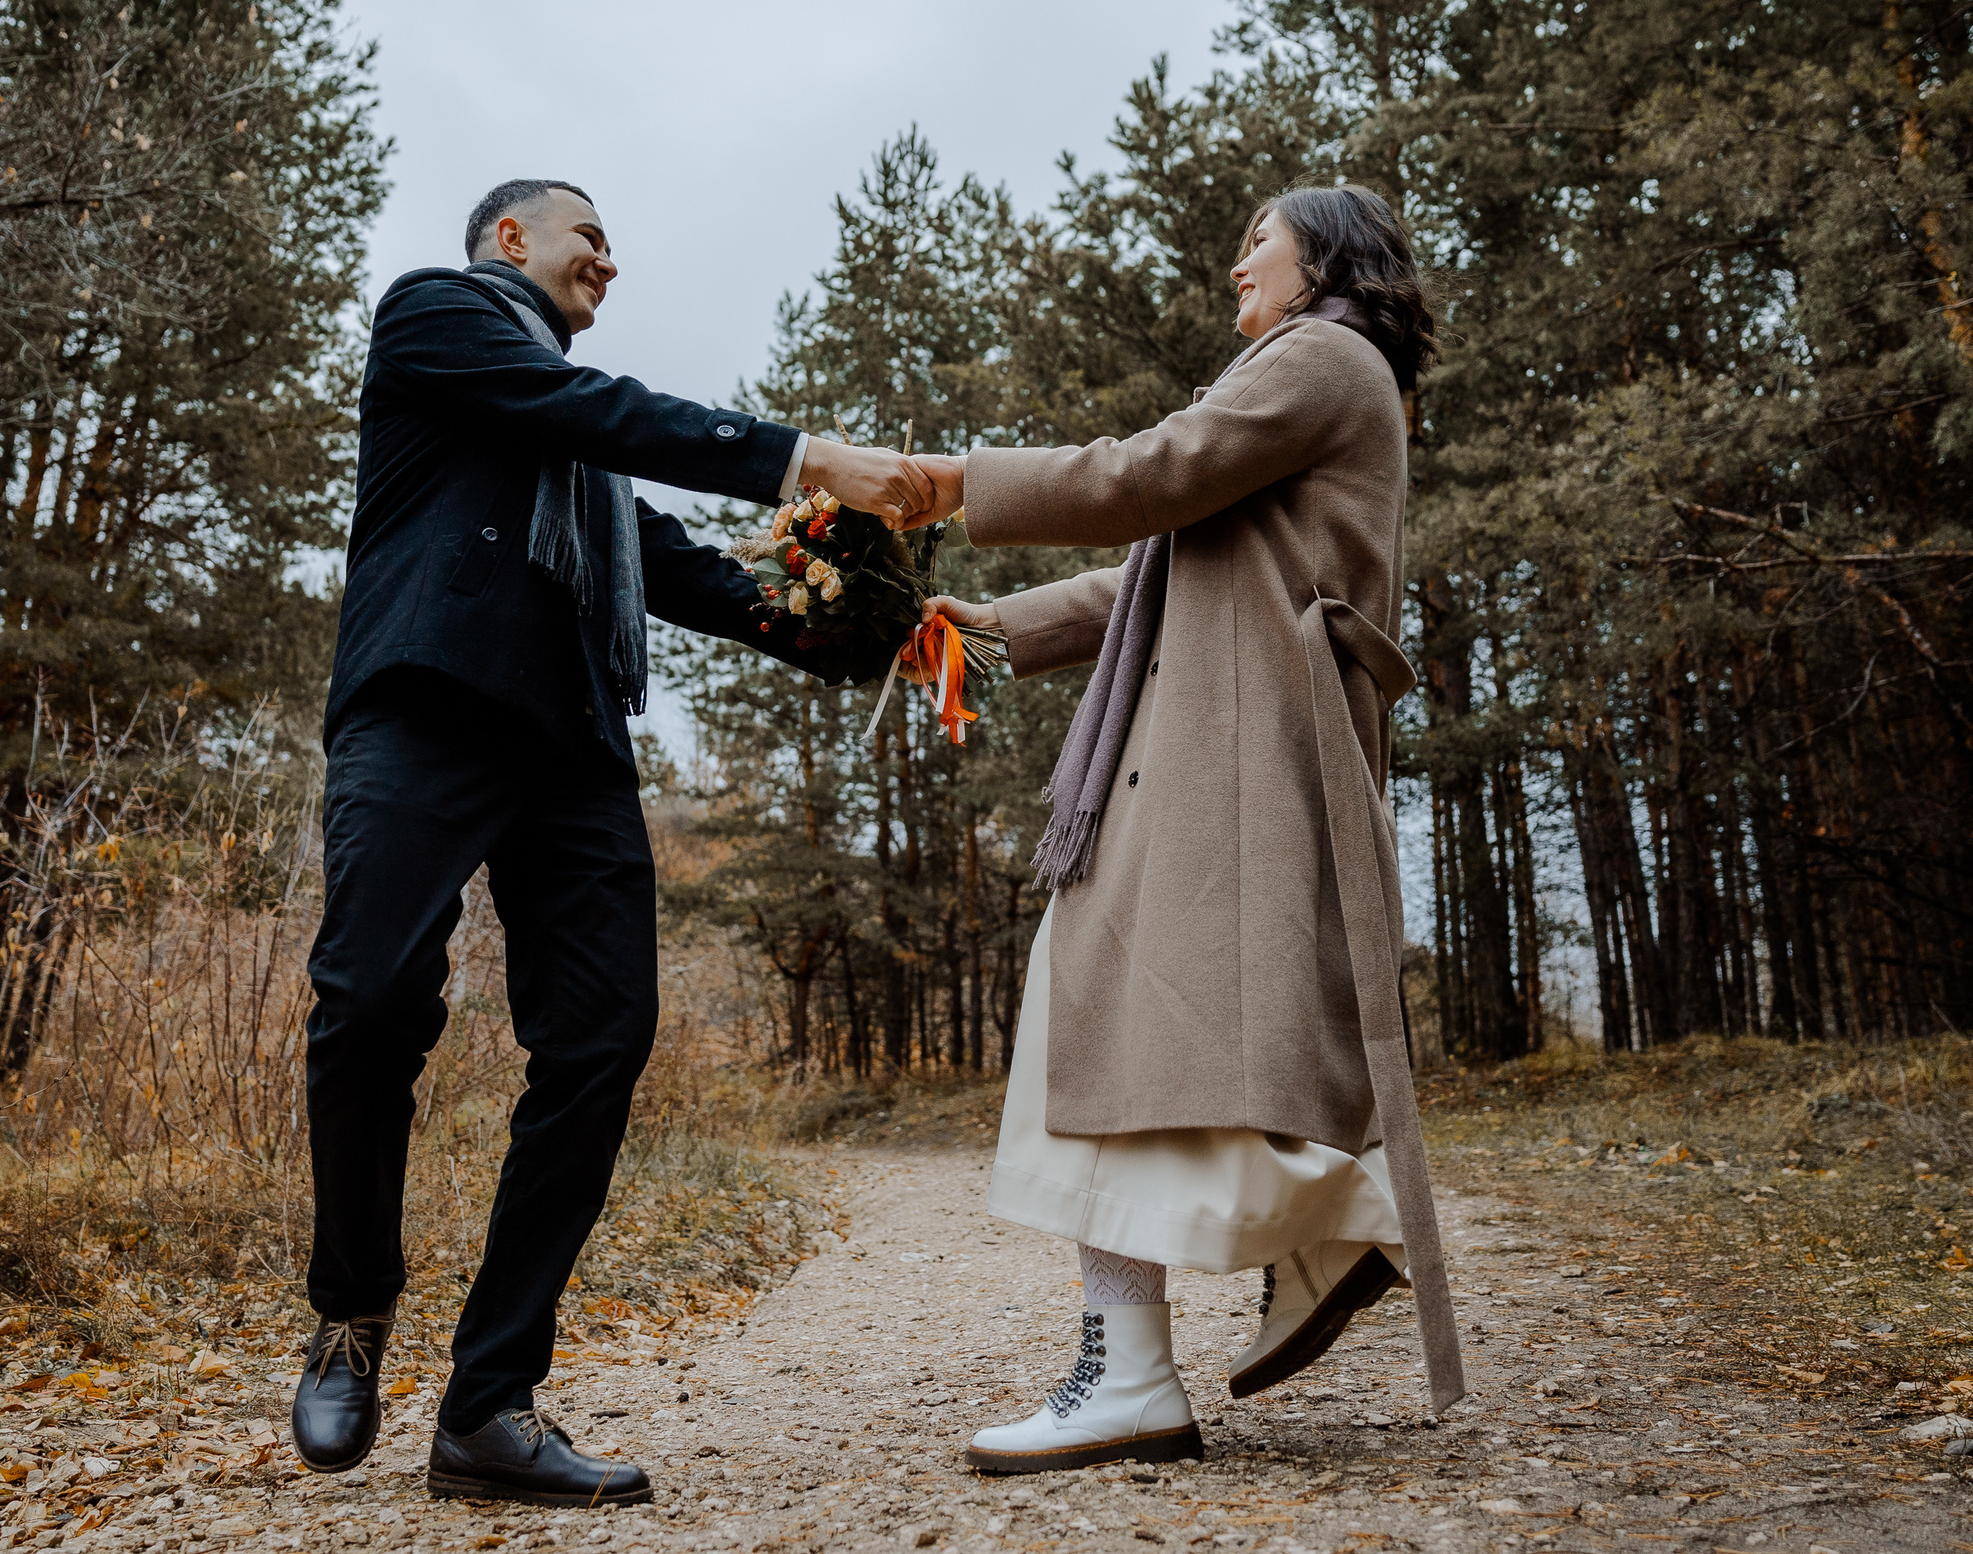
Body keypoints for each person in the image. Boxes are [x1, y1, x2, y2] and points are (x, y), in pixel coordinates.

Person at [292, 179, 932, 1505]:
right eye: (590, 236)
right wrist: (807, 456)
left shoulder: (579, 467)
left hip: (570, 749)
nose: (609, 261)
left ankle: (487, 1405)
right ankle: (352, 1308)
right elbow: (592, 407)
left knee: (598, 1040)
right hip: (422, 710)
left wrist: (868, 624)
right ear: (510, 238)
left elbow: (691, 573)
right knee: (369, 999)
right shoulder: (436, 318)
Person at [903, 186, 1465, 1471]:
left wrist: (952, 483)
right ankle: (1165, 1347)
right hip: (1214, 748)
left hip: (1242, 751)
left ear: (1325, 254)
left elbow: (1143, 476)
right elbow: (1157, 565)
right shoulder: (1303, 375)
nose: (1235, 263)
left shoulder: (1322, 358)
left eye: (1256, 239)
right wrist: (995, 628)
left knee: (1133, 1038)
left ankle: (1238, 1294)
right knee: (1113, 1035)